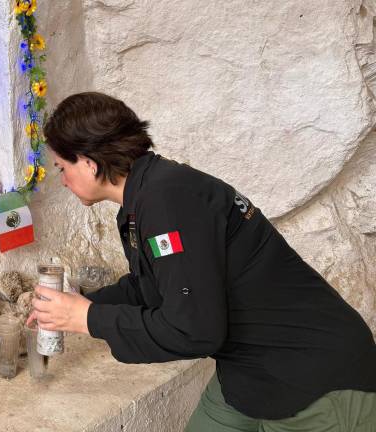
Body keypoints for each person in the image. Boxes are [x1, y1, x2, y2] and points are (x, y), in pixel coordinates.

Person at [27, 92, 376, 431]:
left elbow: (193, 330)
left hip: (313, 380)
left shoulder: (167, 198)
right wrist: (79, 305)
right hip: (250, 374)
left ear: (89, 162)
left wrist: (87, 318)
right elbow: (154, 285)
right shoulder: (147, 196)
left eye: (62, 167)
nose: (63, 180)